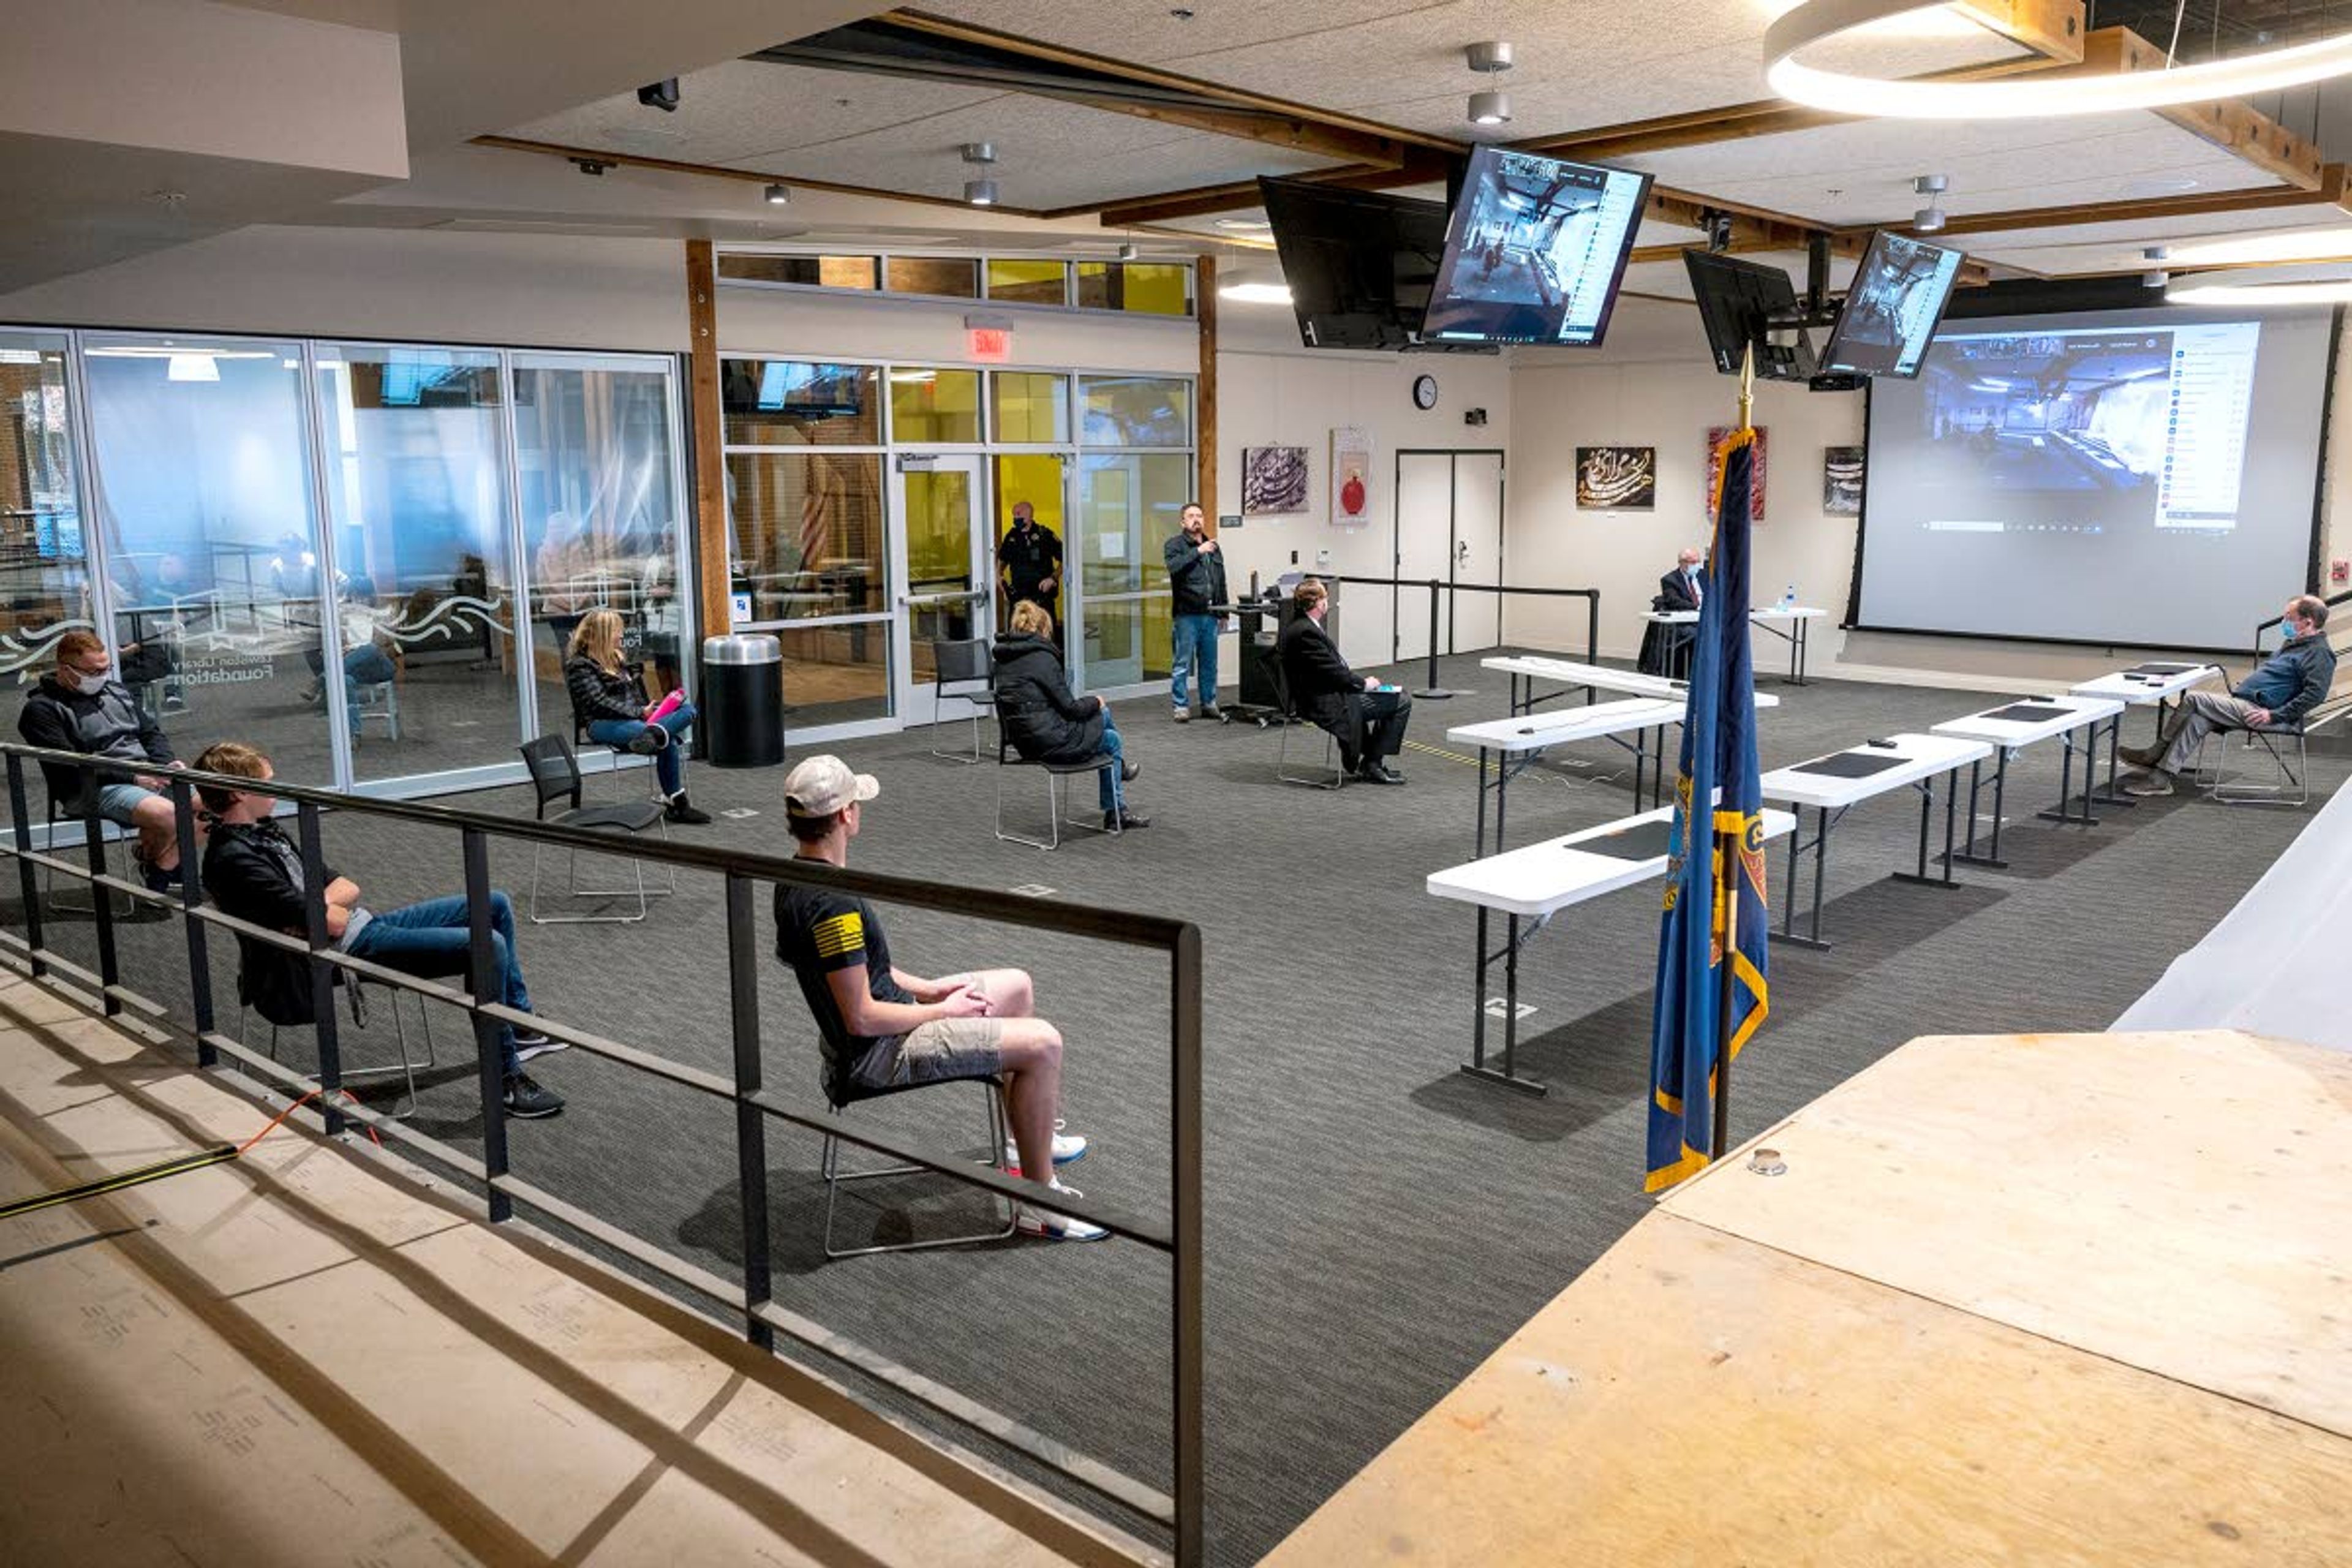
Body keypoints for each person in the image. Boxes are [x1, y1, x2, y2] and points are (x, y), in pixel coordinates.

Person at [773, 755, 1103, 1241]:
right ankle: (1040, 1203)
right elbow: (861, 1015)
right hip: (876, 1053)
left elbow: (861, 972)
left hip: (889, 1023)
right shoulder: (831, 905)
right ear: (845, 815)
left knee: (1017, 985)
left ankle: (1024, 1141)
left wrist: (929, 988)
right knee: (1044, 1044)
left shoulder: (800, 877)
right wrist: (942, 1010)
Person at [192, 741, 565, 1118]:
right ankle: (504, 1079)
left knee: (493, 903)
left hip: (359, 927)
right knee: (488, 946)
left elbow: (347, 886)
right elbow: (334, 920)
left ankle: (518, 1026)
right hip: (339, 952)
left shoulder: (265, 832)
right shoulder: (233, 860)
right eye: (268, 782)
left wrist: (315, 908)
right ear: (240, 792)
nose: (278, 788)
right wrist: (322, 908)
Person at [17, 630, 196, 890]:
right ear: (65, 669)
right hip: (92, 788)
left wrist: (164, 765)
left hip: (144, 775)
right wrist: (134, 777)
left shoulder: (117, 692)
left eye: (107, 668)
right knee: (172, 815)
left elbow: (151, 734)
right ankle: (161, 870)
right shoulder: (42, 710)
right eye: (93, 672)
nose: (102, 676)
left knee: (217, 806)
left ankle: (160, 864)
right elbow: (71, 765)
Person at [2118, 594, 2337, 797]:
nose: (2284, 622)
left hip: (2268, 714)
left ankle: (2153, 755)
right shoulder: (2294, 645)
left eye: (2289, 618)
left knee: (2195, 699)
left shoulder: (2319, 654)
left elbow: (2315, 695)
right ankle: (2161, 778)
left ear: (2308, 622)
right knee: (2198, 719)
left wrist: (2275, 715)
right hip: (2246, 704)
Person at [993, 600, 1147, 829]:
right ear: (1044, 629)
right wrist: (1096, 700)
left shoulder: (1003, 661)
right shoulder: (1042, 659)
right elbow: (1070, 708)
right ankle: (1116, 809)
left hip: (1024, 742)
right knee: (1111, 737)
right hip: (1050, 742)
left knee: (1104, 720)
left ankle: (1119, 778)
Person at [564, 608, 710, 824]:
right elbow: (598, 703)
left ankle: (653, 733)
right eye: (617, 631)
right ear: (603, 634)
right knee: (665, 739)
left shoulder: (616, 659)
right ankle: (678, 806)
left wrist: (651, 710)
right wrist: (639, 713)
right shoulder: (579, 665)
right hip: (602, 724)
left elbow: (633, 696)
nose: (621, 636)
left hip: (637, 720)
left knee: (688, 710)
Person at [1276, 577, 1411, 785]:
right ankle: (1372, 763)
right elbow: (1333, 672)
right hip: (1323, 702)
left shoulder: (1300, 626)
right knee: (1401, 701)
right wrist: (1364, 684)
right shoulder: (1305, 632)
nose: (1327, 603)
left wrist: (1358, 683)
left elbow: (1330, 670)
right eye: (1325, 598)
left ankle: (1371, 761)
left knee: (1395, 696)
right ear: (1318, 603)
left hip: (1326, 692)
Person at [1164, 501, 1227, 723]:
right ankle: (1181, 705)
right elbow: (1174, 567)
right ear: (1183, 522)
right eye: (1191, 516)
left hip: (1211, 613)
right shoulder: (1175, 545)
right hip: (1187, 614)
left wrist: (1224, 611)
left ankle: (1209, 703)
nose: (1196, 519)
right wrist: (1198, 551)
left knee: (1209, 663)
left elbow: (1220, 581)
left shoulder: (1214, 547)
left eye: (1199, 515)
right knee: (1182, 663)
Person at [997, 501, 1062, 628]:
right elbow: (1002, 560)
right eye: (1014, 515)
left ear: (1029, 515)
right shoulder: (1011, 536)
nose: (1015, 518)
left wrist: (1053, 578)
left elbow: (1066, 559)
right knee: (1017, 637)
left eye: (1018, 514)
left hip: (1042, 598)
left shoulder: (1044, 535)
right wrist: (999, 576)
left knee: (1045, 637)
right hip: (1019, 599)